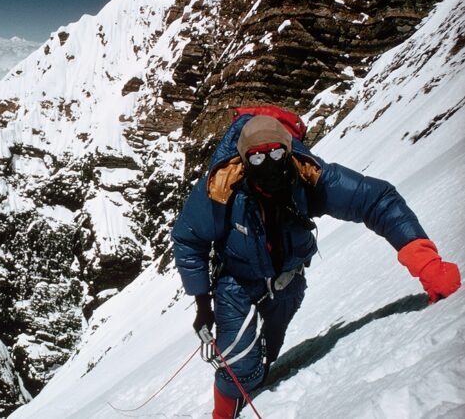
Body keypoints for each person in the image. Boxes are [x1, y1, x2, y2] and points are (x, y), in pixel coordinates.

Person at [171, 111, 461, 418]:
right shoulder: (220, 189)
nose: (268, 163)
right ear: (244, 161)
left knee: (267, 352)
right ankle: (224, 413)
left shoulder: (309, 177)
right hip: (236, 281)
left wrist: (428, 265)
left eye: (276, 152)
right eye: (256, 158)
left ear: (289, 150)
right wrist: (203, 303)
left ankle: (257, 374)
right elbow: (189, 240)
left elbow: (377, 201)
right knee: (238, 362)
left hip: (287, 280)